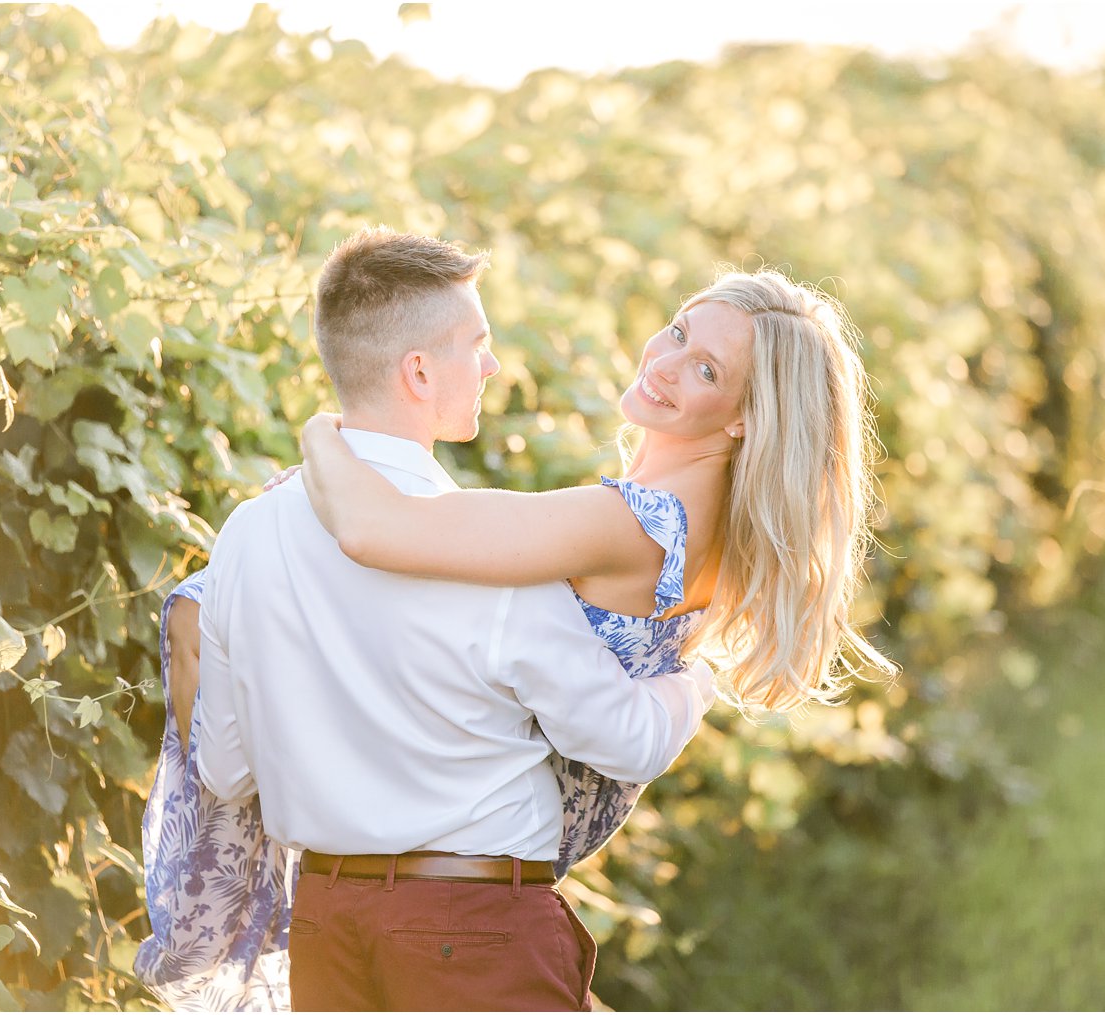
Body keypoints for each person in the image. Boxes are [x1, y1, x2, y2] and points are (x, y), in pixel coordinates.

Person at [136, 227, 715, 1012]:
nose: (492, 365)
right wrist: (697, 679)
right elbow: (622, 738)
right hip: (475, 930)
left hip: (330, 928)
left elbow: (229, 770)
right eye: (476, 345)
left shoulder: (245, 534)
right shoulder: (488, 547)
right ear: (418, 370)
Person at [297, 265, 897, 717]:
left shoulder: (629, 524)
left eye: (707, 369)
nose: (665, 362)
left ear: (746, 416)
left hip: (484, 853)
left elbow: (371, 530)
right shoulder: (699, 526)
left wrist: (321, 434)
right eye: (678, 332)